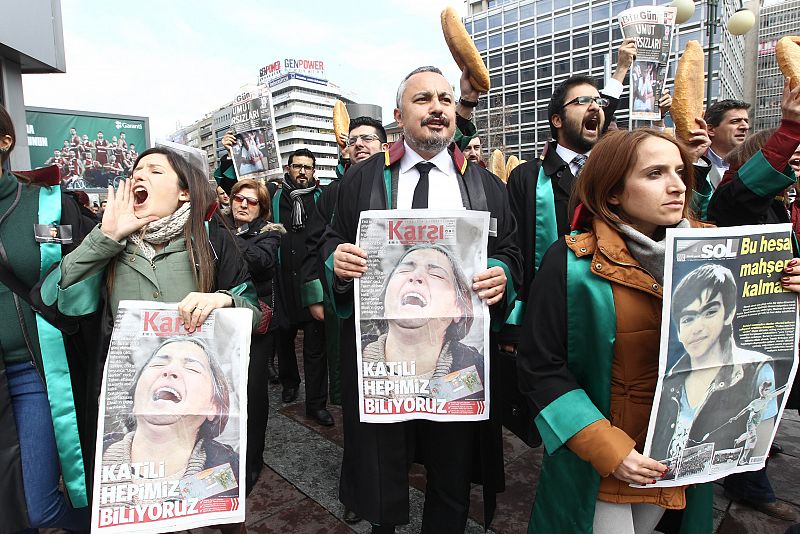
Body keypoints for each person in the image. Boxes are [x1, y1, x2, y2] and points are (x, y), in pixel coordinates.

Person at [320, 65, 520, 533]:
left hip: (455, 361)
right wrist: (339, 264)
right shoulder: (363, 179)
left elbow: (509, 249)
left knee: (452, 473)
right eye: (424, 99)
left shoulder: (485, 185)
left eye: (446, 100)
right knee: (383, 469)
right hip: (384, 362)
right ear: (398, 115)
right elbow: (328, 242)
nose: (437, 109)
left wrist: (503, 276)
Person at [40, 145, 259, 534]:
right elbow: (55, 299)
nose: (139, 176)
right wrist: (104, 237)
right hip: (129, 405)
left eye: (155, 171)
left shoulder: (210, 242)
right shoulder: (108, 243)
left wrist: (224, 299)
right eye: (136, 171)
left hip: (195, 405)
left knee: (212, 503)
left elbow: (256, 311)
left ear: (185, 192)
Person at [516, 128, 714, 533]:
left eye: (679, 171)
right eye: (655, 174)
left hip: (671, 456)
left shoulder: (715, 256)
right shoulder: (570, 263)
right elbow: (540, 367)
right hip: (603, 459)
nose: (677, 185)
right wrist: (609, 449)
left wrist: (782, 291)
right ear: (613, 193)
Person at [701, 77, 800, 522]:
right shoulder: (740, 199)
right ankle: (748, 481)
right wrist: (789, 130)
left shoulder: (784, 205)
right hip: (748, 323)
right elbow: (742, 193)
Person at [0, 104, 98, 532]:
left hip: (31, 372)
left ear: (5, 142)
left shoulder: (46, 203)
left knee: (36, 506)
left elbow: (85, 282)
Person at [102, 337, 239, 507]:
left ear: (214, 407)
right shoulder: (94, 458)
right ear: (135, 398)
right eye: (157, 364)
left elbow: (230, 523)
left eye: (192, 368)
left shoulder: (223, 469)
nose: (170, 370)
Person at [219, 178, 283, 493]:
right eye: (238, 199)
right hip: (220, 322)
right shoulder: (215, 228)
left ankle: (252, 461)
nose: (243, 205)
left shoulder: (269, 234)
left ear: (262, 208)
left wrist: (225, 231)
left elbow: (261, 261)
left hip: (256, 325)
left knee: (254, 396)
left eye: (251, 201)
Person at [361, 244, 484, 398]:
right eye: (404, 269)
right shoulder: (353, 361)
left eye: (436, 275)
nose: (415, 276)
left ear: (458, 309)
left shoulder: (475, 373)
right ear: (385, 300)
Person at [272, 148, 333, 427]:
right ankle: (289, 382)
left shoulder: (322, 198)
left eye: (308, 167)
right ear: (288, 168)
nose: (302, 172)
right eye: (297, 166)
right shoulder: (273, 197)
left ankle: (316, 404)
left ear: (314, 171)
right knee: (283, 336)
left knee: (315, 346)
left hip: (311, 281)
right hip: (281, 280)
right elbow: (236, 192)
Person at [702, 99, 751, 194]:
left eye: (746, 121)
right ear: (711, 130)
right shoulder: (694, 163)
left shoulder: (753, 165)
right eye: (735, 121)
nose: (745, 127)